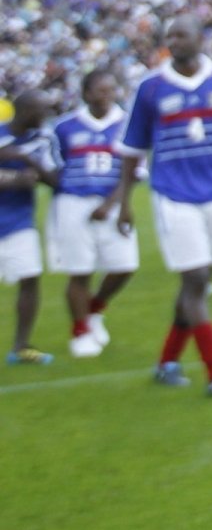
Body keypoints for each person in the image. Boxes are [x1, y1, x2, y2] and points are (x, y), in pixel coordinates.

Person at [106, 18, 212, 397]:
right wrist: (124, 203)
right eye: (169, 37)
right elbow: (132, 150)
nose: (173, 41)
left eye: (180, 34)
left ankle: (167, 362)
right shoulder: (150, 87)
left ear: (200, 39)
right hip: (172, 195)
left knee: (201, 281)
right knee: (194, 280)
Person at [49, 71, 139, 358]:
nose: (107, 95)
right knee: (80, 270)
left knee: (125, 265)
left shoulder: (127, 125)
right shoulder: (64, 127)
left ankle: (95, 308)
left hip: (112, 202)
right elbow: (54, 166)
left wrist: (113, 204)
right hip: (74, 203)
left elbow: (133, 171)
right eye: (100, 90)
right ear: (86, 93)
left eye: (111, 89)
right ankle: (80, 331)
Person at [1, 92, 59, 365]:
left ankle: (21, 347)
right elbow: (18, 181)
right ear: (24, 110)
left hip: (19, 221)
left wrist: (27, 160)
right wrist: (15, 180)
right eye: (40, 110)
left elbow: (54, 180)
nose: (44, 116)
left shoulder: (43, 139)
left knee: (30, 277)